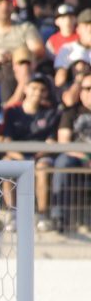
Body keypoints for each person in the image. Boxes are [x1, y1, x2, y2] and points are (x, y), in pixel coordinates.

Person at [0, 74, 61, 232]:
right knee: (6, 165)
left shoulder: (50, 112)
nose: (37, 92)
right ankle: (12, 214)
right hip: (16, 155)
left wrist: (35, 158)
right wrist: (21, 158)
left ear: (46, 93)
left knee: (43, 169)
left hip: (40, 156)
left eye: (42, 89)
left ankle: (41, 215)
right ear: (25, 89)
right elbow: (5, 141)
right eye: (34, 87)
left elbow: (51, 142)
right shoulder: (12, 111)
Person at [51, 74, 91, 230]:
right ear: (80, 92)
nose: (90, 92)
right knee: (62, 162)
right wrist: (85, 157)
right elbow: (63, 142)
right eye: (87, 88)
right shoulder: (71, 112)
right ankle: (58, 216)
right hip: (76, 156)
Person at [54, 9, 91, 90]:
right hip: (75, 90)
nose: (90, 29)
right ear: (78, 29)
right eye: (86, 25)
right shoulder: (67, 49)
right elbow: (59, 81)